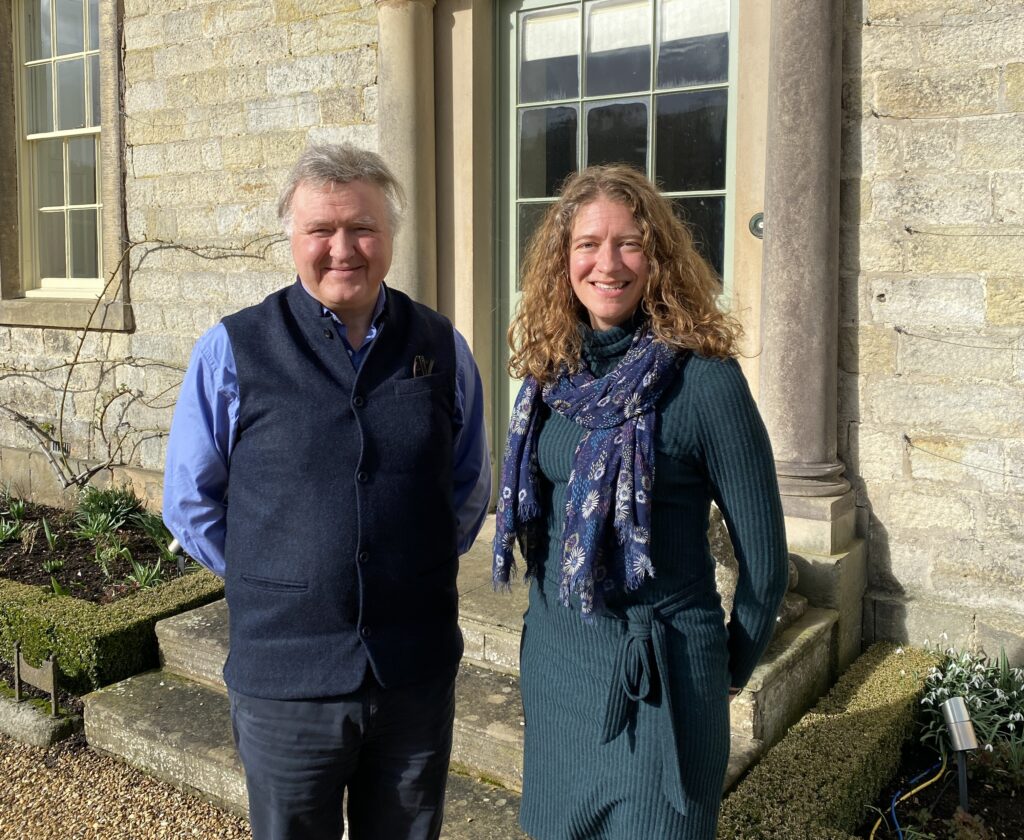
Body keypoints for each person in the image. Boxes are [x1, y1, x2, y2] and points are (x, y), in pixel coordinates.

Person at [163, 143, 491, 840]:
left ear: (391, 236)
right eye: (321, 231)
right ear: (291, 237)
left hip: (414, 672)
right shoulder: (230, 350)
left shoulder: (440, 344)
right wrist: (277, 577)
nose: (343, 249)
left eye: (363, 228)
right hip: (286, 680)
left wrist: (410, 561)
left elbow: (467, 485)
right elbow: (190, 502)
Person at [493, 165, 788, 839]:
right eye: (588, 244)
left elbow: (766, 567)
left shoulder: (705, 382)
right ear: (562, 260)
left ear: (658, 258)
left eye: (629, 243)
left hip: (664, 683)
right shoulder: (549, 376)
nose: (608, 263)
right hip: (559, 669)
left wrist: (725, 674)